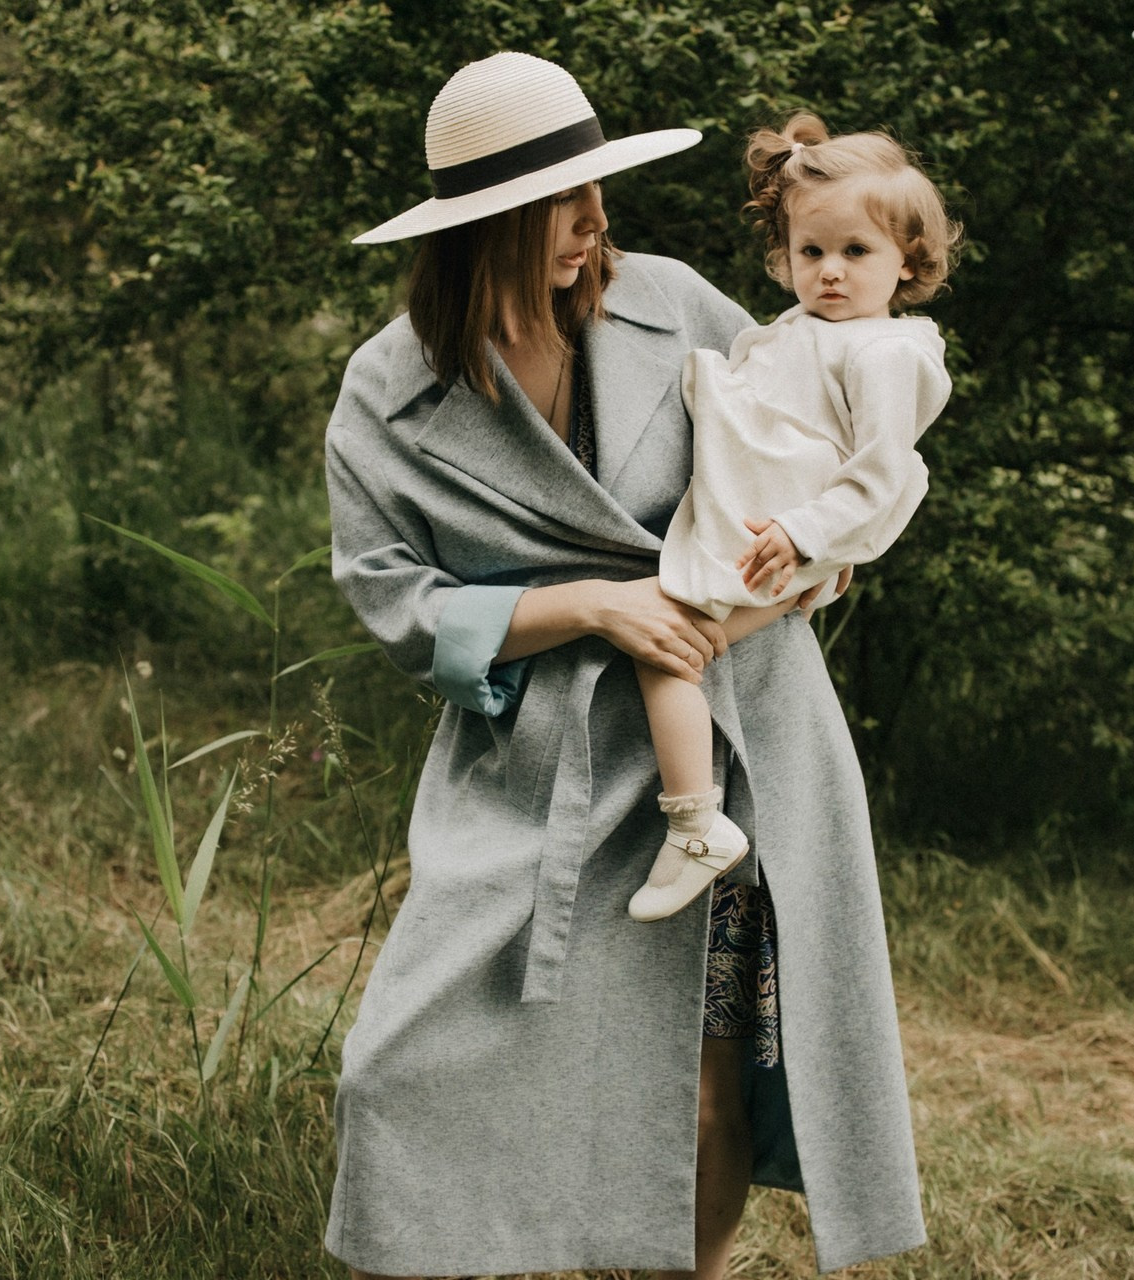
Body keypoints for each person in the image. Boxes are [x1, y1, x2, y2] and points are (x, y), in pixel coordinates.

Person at [324, 51, 926, 1280]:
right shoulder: (387, 392)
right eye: (566, 200)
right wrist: (591, 602)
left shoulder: (675, 302)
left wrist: (765, 583)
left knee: (702, 1086)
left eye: (600, 188)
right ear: (486, 222)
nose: (599, 221)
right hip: (532, 764)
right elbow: (392, 600)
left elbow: (819, 487)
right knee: (392, 1064)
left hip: (728, 741)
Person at [628, 113, 960, 922]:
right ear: (785, 256)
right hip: (762, 529)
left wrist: (809, 538)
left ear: (907, 260)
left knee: (670, 646)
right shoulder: (802, 329)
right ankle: (699, 817)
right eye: (812, 252)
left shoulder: (885, 353)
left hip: (777, 536)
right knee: (677, 644)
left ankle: (695, 824)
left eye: (856, 253)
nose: (831, 273)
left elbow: (881, 476)